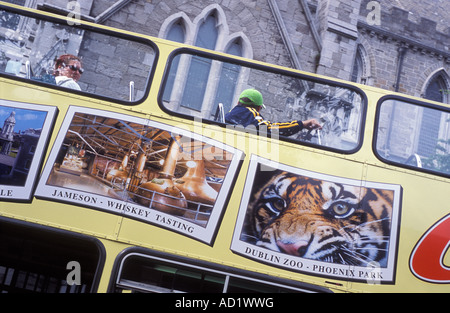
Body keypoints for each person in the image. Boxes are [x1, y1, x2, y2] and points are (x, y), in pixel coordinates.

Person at [225, 89, 322, 136]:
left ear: (238, 102)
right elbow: (272, 129)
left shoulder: (228, 115)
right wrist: (302, 124)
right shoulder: (251, 113)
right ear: (258, 108)